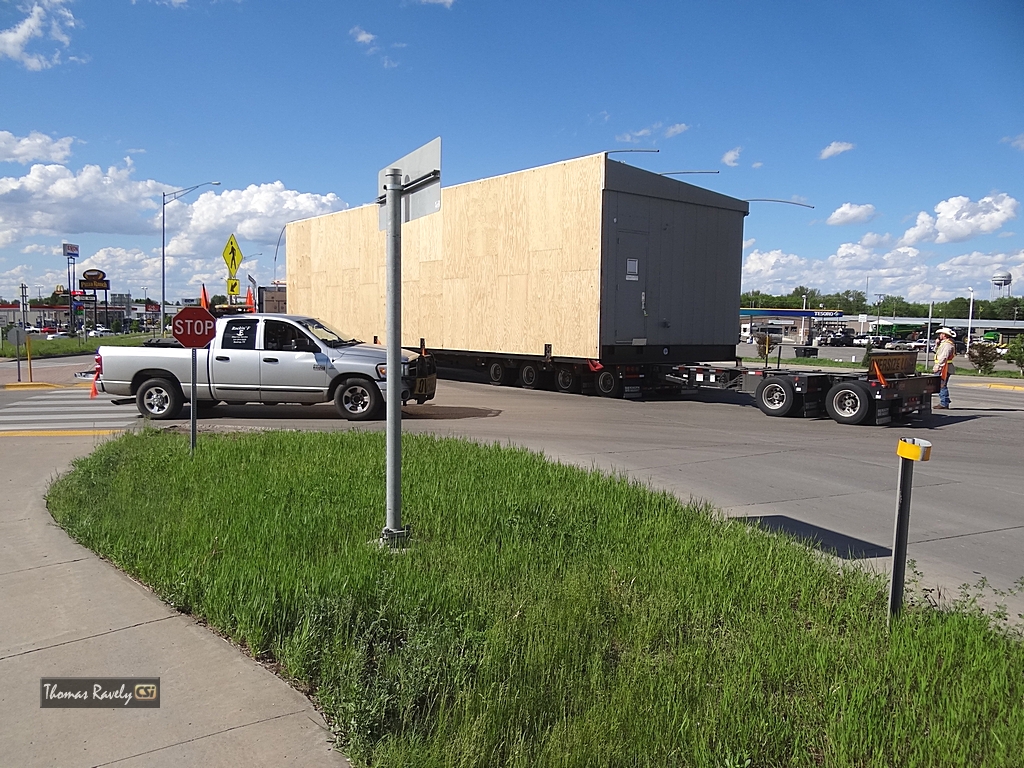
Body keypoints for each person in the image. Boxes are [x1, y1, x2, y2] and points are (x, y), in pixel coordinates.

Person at [932, 327, 956, 409]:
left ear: (944, 335)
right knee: (941, 384)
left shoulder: (947, 345)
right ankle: (945, 400)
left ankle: (944, 402)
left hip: (944, 367)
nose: (940, 335)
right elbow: (937, 352)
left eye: (941, 334)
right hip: (944, 366)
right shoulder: (944, 343)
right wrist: (937, 344)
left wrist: (938, 366)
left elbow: (943, 357)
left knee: (941, 384)